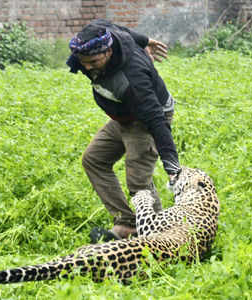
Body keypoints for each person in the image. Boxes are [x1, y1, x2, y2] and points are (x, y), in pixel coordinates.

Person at [66, 19, 181, 242]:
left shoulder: (133, 77)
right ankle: (127, 224)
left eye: (93, 61)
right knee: (94, 159)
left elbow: (156, 120)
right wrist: (145, 40)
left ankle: (159, 237)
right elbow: (115, 28)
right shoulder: (101, 37)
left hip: (146, 119)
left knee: (138, 181)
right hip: (123, 116)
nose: (86, 67)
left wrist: (171, 164)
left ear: (108, 52)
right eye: (83, 62)